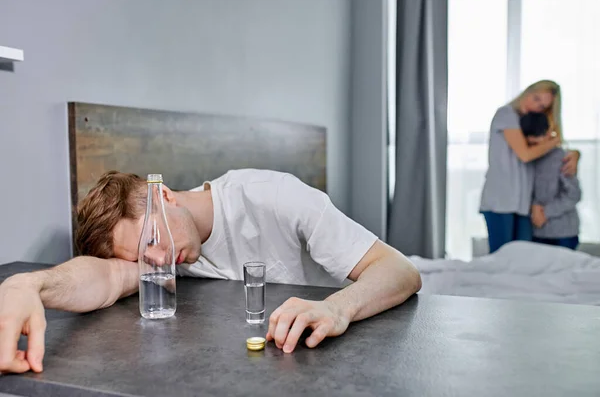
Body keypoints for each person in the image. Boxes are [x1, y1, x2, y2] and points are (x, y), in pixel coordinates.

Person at [0, 169, 421, 374]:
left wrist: (336, 309)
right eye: (142, 259)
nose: (158, 261)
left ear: (162, 196)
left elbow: (401, 271)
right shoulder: (165, 255)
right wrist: (27, 284)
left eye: (151, 243)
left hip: (348, 363)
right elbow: (107, 278)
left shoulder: (273, 197)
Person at [479, 80, 580, 253]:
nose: (536, 106)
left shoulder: (531, 124)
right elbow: (525, 154)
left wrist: (575, 153)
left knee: (523, 259)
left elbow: (546, 158)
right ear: (527, 92)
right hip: (501, 201)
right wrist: (555, 140)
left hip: (523, 205)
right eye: (536, 98)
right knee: (501, 259)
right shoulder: (506, 114)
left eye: (542, 106)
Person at [520, 113, 581, 250]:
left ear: (548, 134)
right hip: (537, 233)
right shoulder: (527, 160)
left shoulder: (563, 158)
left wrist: (545, 212)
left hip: (564, 233)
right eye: (530, 143)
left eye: (537, 143)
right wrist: (534, 208)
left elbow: (573, 194)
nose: (535, 148)